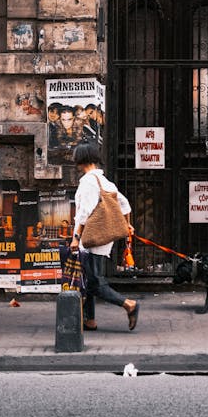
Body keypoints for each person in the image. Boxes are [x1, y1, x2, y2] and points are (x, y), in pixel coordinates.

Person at [70, 141, 139, 332]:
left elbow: (84, 213)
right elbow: (125, 205)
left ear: (80, 160)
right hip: (103, 240)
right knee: (89, 278)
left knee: (95, 282)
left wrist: (76, 237)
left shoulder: (88, 182)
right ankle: (90, 320)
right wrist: (127, 223)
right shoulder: (106, 182)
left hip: (92, 240)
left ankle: (129, 304)